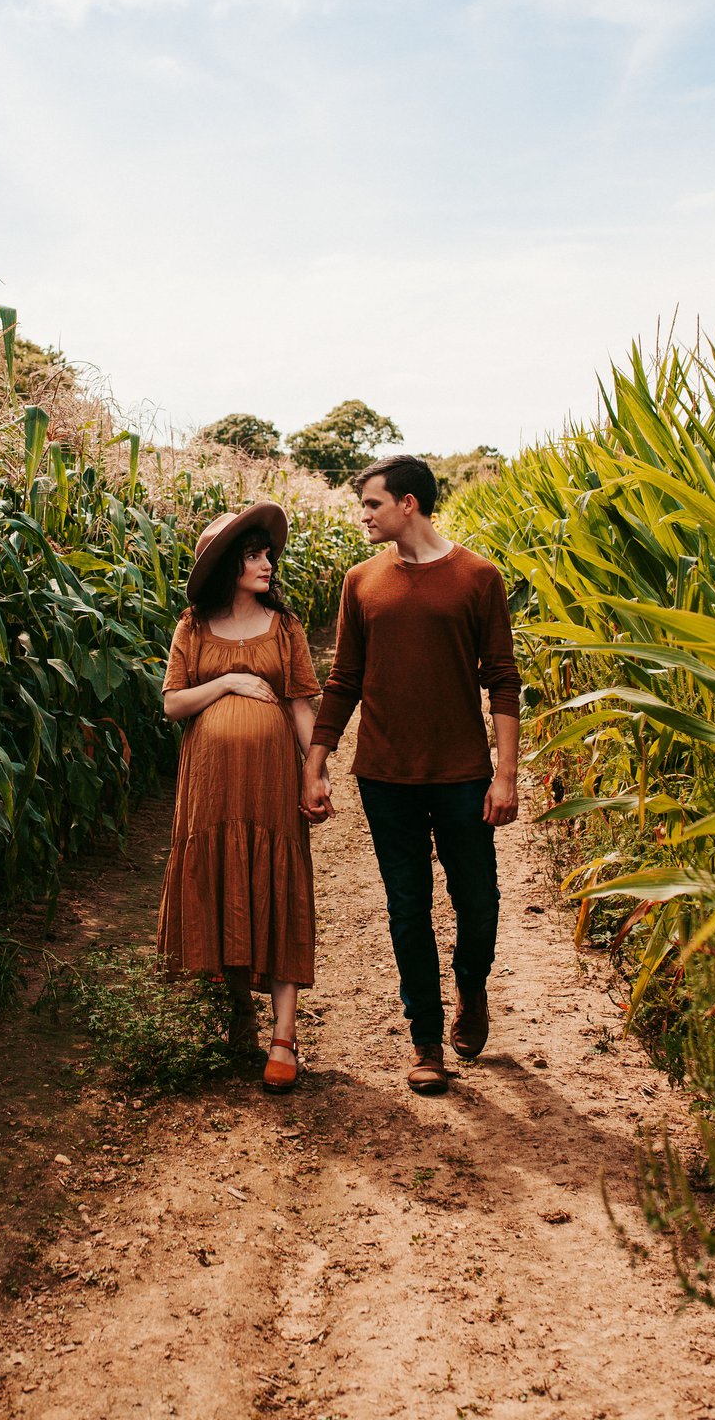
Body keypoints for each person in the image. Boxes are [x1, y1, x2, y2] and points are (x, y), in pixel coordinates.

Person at [301, 455, 521, 1096]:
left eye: (372, 504)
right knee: (408, 906)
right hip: (385, 774)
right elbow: (344, 680)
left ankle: (471, 988)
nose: (363, 516)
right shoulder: (360, 581)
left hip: (462, 774)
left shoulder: (478, 577)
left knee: (478, 901)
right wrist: (316, 763)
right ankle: (426, 1040)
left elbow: (502, 679)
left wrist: (505, 775)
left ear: (408, 504)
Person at [156, 502, 321, 1093]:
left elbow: (301, 705)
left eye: (267, 554)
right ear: (230, 564)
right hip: (211, 784)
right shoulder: (193, 626)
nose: (266, 564)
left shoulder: (286, 626)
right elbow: (172, 703)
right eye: (253, 555)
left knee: (277, 884)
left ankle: (285, 1036)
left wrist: (315, 773)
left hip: (271, 781)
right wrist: (227, 681)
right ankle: (241, 1010)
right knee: (225, 880)